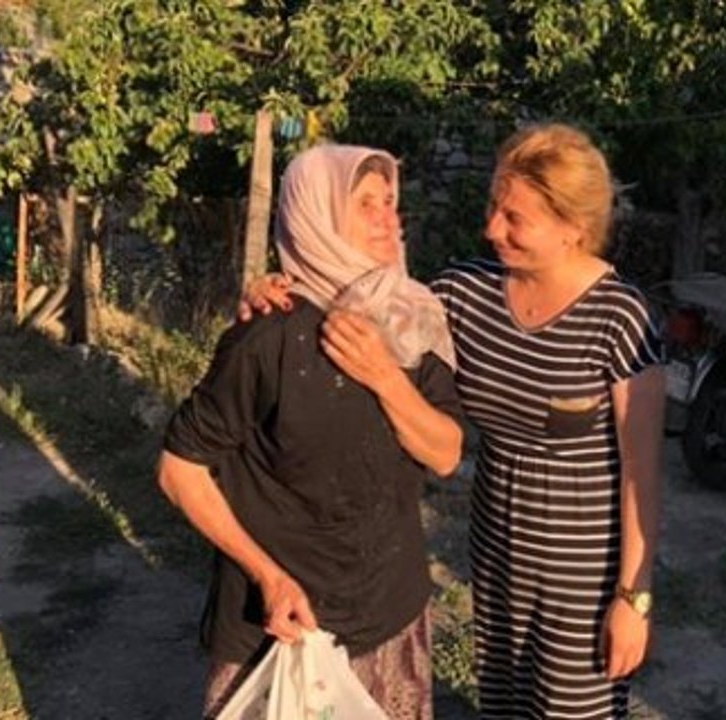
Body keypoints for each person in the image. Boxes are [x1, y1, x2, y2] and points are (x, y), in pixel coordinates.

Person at [243, 123, 666, 719]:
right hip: (496, 553)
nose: (492, 229)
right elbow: (368, 302)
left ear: (572, 227)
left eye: (514, 218)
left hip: (584, 574)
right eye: (494, 207)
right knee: (504, 706)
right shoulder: (466, 294)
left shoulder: (621, 319)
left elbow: (642, 477)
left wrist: (632, 599)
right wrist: (273, 291)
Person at [160, 144, 464, 720]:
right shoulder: (268, 334)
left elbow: (446, 453)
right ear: (315, 216)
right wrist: (268, 577)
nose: (387, 218)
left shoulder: (411, 317)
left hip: (389, 613)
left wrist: (384, 376)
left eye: (390, 201)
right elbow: (179, 470)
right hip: (284, 625)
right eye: (365, 203)